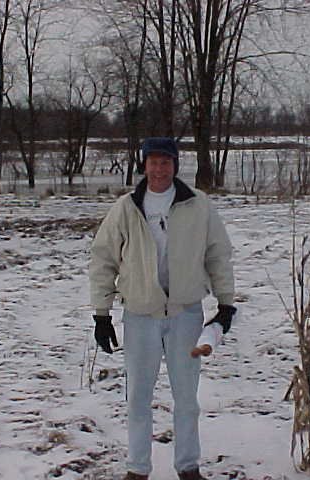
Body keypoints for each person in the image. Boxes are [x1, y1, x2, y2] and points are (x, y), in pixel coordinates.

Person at [89, 137, 236, 480]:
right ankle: (137, 469)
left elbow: (218, 254)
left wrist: (226, 304)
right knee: (138, 396)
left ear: (175, 165)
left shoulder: (198, 205)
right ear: (144, 165)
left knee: (186, 397)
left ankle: (188, 466)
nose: (159, 169)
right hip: (141, 315)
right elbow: (103, 259)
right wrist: (102, 313)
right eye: (153, 162)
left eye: (165, 162)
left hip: (186, 314)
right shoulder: (127, 207)